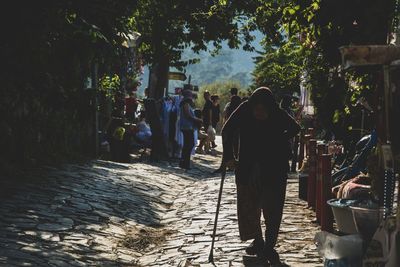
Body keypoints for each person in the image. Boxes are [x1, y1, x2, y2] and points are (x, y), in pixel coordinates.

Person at [222, 87, 300, 265]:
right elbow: (227, 130)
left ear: (269, 108)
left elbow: (295, 128)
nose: (259, 113)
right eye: (256, 109)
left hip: (274, 169)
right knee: (249, 207)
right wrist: (228, 157)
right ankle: (258, 240)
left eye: (263, 110)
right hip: (248, 168)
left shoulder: (277, 114)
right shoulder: (244, 110)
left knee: (273, 210)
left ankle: (269, 245)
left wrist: (279, 139)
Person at [179, 90, 202, 169]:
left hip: (188, 126)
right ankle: (185, 163)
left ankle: (184, 162)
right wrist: (197, 120)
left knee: (187, 145)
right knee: (189, 144)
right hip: (187, 127)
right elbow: (188, 115)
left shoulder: (186, 104)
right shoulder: (185, 104)